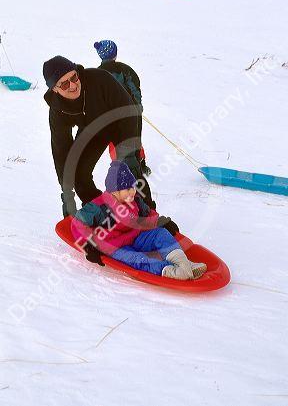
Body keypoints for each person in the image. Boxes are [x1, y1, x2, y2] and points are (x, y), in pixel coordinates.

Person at [43, 55, 156, 218]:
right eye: (64, 83)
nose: (73, 85)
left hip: (123, 120)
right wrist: (67, 193)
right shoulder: (57, 110)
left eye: (73, 77)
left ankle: (148, 214)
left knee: (130, 169)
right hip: (94, 129)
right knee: (79, 174)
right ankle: (100, 212)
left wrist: (129, 153)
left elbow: (128, 111)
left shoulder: (100, 79)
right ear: (54, 89)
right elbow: (61, 150)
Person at [71, 161, 207, 280]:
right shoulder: (100, 207)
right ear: (114, 192)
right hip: (114, 246)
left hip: (136, 236)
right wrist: (88, 246)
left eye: (134, 187)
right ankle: (171, 271)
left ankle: (184, 264)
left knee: (161, 234)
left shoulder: (134, 201)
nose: (133, 192)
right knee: (137, 260)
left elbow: (147, 215)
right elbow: (78, 224)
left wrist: (160, 222)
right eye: (128, 189)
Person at [94, 39, 151, 177]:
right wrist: (138, 106)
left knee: (115, 142)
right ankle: (139, 166)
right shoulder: (125, 70)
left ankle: (120, 166)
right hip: (131, 114)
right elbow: (135, 88)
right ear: (115, 54)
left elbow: (96, 98)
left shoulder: (96, 75)